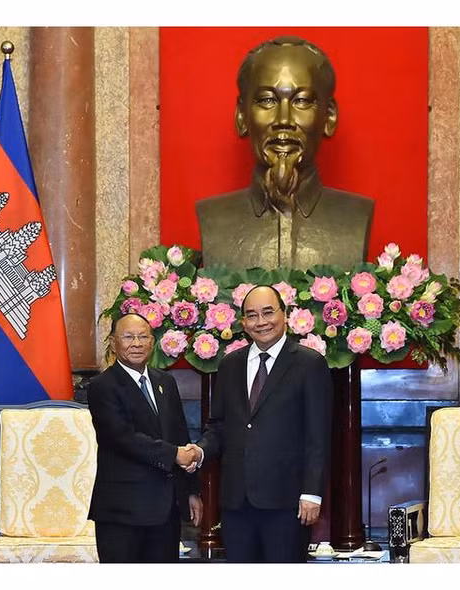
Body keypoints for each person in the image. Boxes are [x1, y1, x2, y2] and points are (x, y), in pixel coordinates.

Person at [196, 36, 373, 270]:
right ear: (241, 115)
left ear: (329, 117)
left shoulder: (355, 217)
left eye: (301, 101)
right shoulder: (213, 218)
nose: (283, 120)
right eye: (267, 100)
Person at [187, 285, 333, 562]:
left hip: (288, 502)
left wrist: (312, 493)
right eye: (252, 315)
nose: (261, 322)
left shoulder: (309, 363)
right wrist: (200, 451)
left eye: (268, 312)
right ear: (243, 323)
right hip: (236, 502)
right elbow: (219, 426)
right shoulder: (230, 365)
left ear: (285, 315)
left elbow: (319, 435)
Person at [87, 312, 202, 562]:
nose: (136, 343)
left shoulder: (166, 382)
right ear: (114, 342)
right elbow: (122, 438)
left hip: (165, 510)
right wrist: (175, 455)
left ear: (153, 341)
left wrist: (191, 491)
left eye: (143, 337)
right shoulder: (102, 387)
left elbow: (180, 434)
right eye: (128, 337)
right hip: (122, 512)